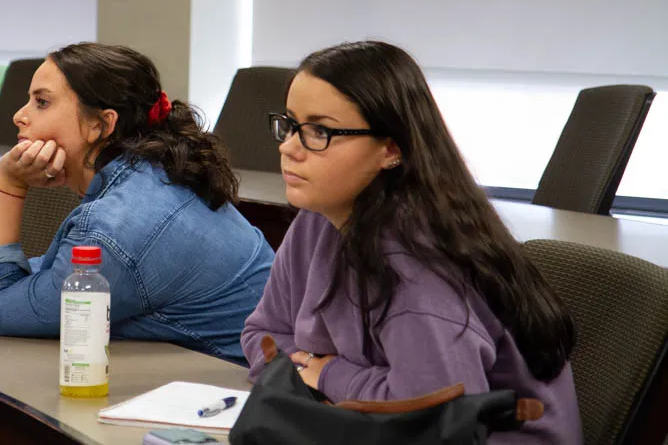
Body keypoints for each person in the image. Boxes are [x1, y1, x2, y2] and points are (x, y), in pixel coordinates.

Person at [241, 41, 582, 442]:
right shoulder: (318, 219)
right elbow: (261, 334)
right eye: (291, 124)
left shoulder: (417, 264)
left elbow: (437, 414)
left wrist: (332, 374)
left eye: (319, 131)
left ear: (391, 149)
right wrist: (316, 377)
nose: (288, 147)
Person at [0, 42, 274, 363]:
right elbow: (62, 276)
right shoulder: (152, 177)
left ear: (101, 124)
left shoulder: (120, 224)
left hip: (231, 397)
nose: (19, 116)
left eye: (41, 102)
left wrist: (8, 184)